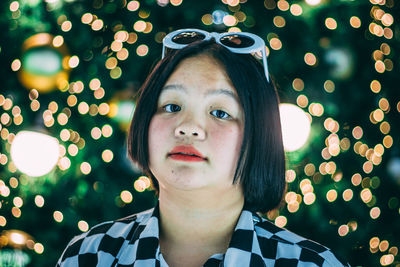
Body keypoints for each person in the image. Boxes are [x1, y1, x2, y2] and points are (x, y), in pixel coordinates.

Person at [56, 29, 349, 267]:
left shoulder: (311, 264)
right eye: (171, 106)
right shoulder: (90, 255)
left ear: (260, 137)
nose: (188, 126)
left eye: (220, 112)